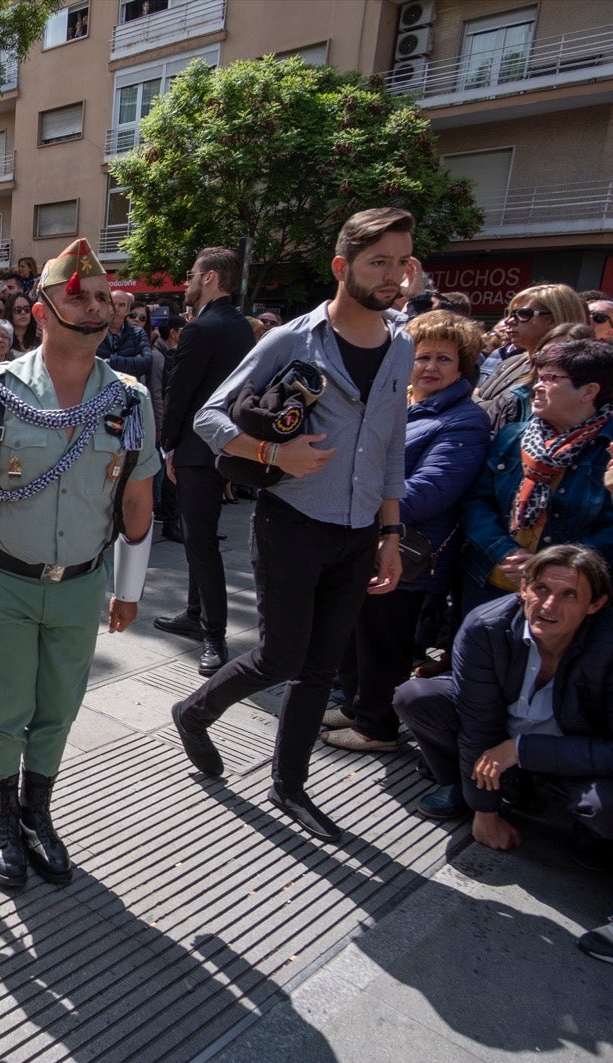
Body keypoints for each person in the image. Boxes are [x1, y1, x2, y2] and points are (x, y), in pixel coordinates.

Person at [170, 207, 416, 844]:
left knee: (321, 665)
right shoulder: (292, 339)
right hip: (291, 523)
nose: (393, 275)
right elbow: (210, 418)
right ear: (343, 268)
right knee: (280, 655)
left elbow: (391, 447)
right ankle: (193, 713)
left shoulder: (403, 343)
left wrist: (391, 535)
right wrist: (276, 454)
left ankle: (290, 783)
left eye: (401, 261)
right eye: (378, 262)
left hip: (360, 530)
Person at [0, 238, 155, 890]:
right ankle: (1, 816)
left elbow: (138, 496)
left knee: (58, 707)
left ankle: (37, 812)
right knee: (4, 709)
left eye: (105, 297)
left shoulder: (131, 400)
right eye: (80, 294)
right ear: (44, 309)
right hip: (2, 580)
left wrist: (129, 589)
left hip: (82, 583)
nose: (97, 306)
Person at [391, 545, 613, 960]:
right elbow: (478, 723)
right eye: (541, 589)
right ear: (522, 590)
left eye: (569, 595)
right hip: (499, 737)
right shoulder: (487, 626)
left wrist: (525, 749)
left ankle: (587, 831)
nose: (549, 605)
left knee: (606, 807)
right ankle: (466, 787)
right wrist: (485, 811)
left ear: (596, 604)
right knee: (416, 696)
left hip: (567, 750)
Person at [323, 310, 491, 753]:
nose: (429, 367)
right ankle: (358, 706)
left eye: (443, 359)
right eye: (421, 357)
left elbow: (431, 490)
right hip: (368, 538)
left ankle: (377, 728)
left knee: (385, 642)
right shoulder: (401, 400)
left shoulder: (465, 420)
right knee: (358, 632)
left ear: (464, 366)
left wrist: (360, 499)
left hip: (411, 550)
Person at [458, 338, 613, 613]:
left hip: (568, 596)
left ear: (589, 391)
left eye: (551, 378)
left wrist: (552, 564)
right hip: (491, 581)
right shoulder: (513, 436)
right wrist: (504, 550)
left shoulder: (612, 449)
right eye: (539, 376)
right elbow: (477, 500)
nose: (537, 386)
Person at [155, 248, 254, 675]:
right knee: (201, 539)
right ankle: (196, 614)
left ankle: (213, 634)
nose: (187, 282)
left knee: (201, 543)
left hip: (197, 451)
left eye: (193, 275)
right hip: (225, 448)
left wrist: (168, 446)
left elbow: (180, 395)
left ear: (211, 278)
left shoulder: (201, 330)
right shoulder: (243, 329)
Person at [475, 284, 587, 408]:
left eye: (523, 313)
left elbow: (507, 412)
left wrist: (473, 401)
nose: (509, 320)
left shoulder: (562, 371)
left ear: (553, 319)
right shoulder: (512, 361)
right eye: (509, 313)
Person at [97, 290, 154, 377]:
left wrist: (110, 361)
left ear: (128, 310)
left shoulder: (137, 333)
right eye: (112, 304)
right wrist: (131, 361)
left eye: (121, 305)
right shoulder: (94, 331)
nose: (116, 308)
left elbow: (146, 361)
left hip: (128, 388)